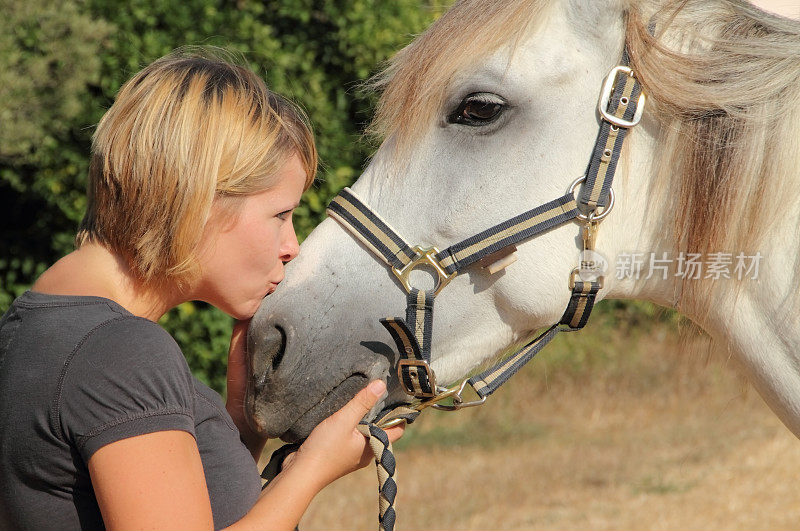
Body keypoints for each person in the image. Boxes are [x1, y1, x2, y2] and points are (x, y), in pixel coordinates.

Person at [0, 48, 404, 529]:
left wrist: (238, 421)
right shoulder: (120, 352)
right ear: (200, 199)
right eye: (280, 214)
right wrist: (312, 469)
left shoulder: (32, 326)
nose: (291, 246)